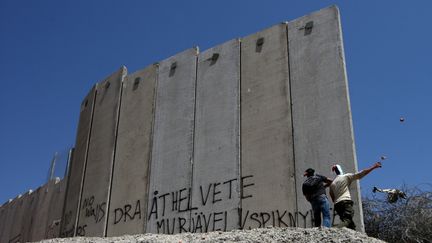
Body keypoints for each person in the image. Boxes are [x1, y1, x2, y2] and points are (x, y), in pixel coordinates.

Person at [329, 162, 382, 229]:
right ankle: (335, 231)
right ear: (340, 170)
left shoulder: (332, 183)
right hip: (345, 201)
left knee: (350, 224)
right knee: (347, 219)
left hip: (337, 204)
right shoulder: (345, 177)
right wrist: (373, 167)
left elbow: (331, 194)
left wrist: (335, 200)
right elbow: (361, 174)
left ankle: (353, 233)